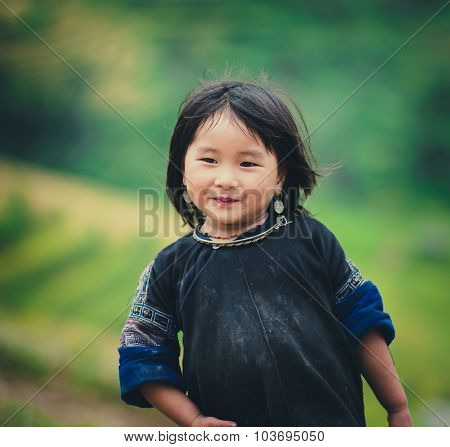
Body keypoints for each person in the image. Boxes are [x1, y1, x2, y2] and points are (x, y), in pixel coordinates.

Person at [118, 79, 413, 427]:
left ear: (280, 176)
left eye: (248, 164)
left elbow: (363, 321)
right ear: (183, 166)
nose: (226, 179)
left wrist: (397, 407)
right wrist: (194, 420)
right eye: (209, 159)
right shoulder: (170, 268)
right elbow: (142, 352)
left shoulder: (313, 241)